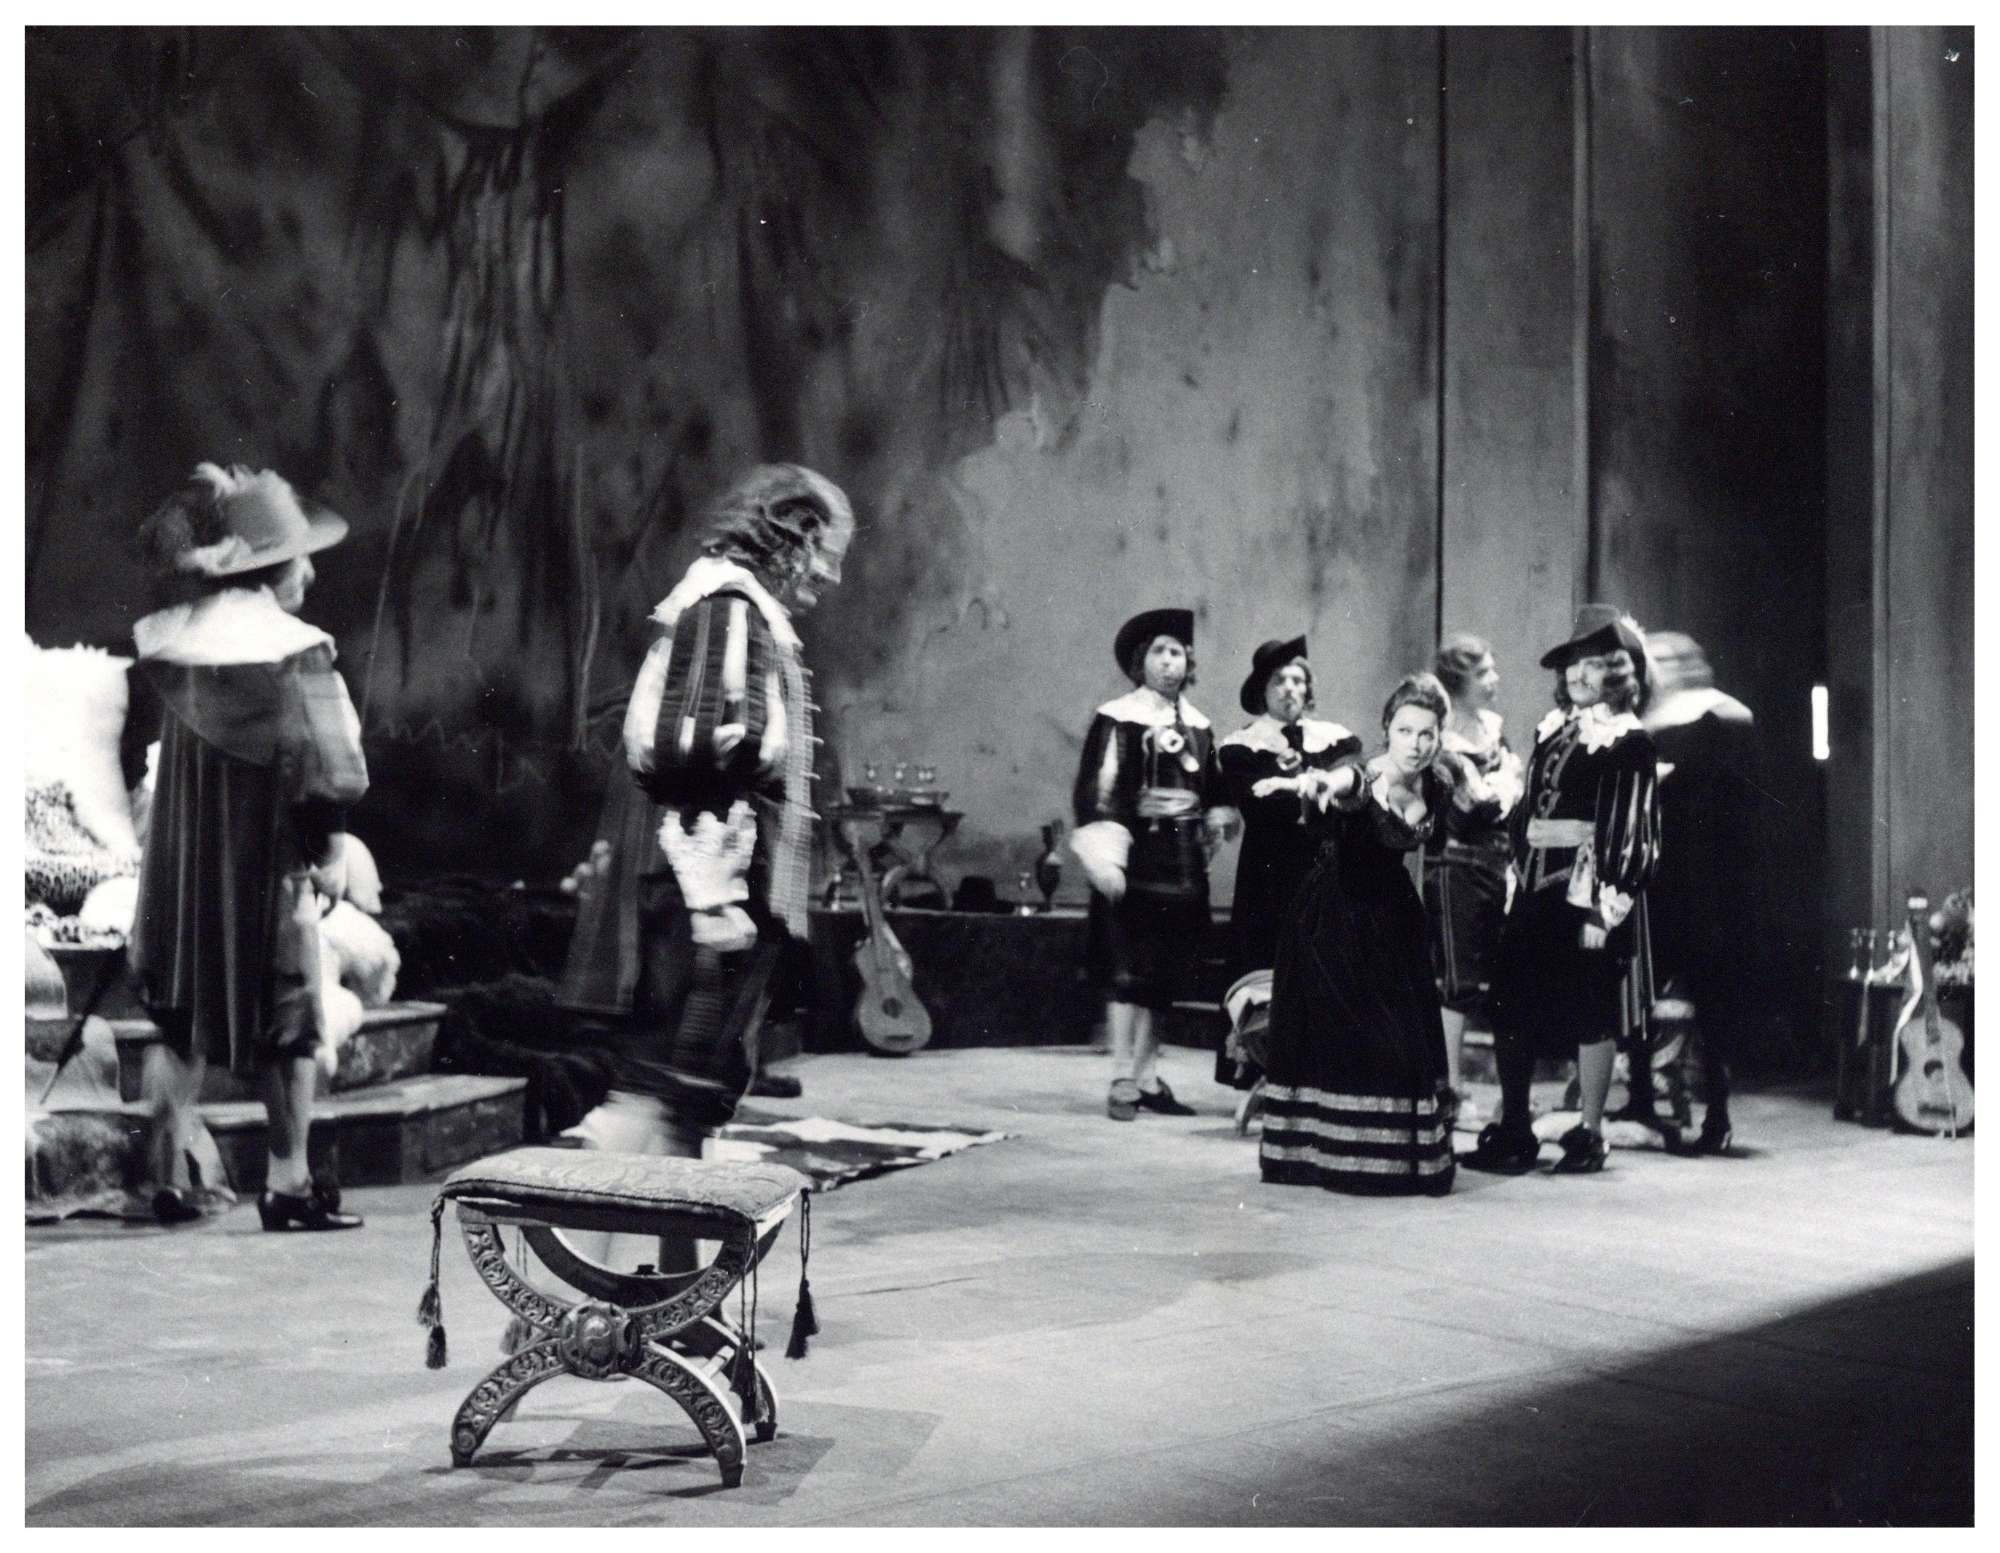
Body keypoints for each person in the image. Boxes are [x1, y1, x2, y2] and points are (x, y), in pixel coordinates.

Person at [558, 463, 853, 1272]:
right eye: (826, 552)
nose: (830, 575)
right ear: (793, 538)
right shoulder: (727, 611)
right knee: (665, 1082)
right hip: (702, 887)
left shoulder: (737, 611)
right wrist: (715, 900)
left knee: (688, 1091)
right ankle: (581, 1283)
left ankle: (672, 1280)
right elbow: (690, 756)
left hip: (713, 886)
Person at [127, 463, 369, 1230]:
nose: (311, 572)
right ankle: (288, 1182)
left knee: (179, 1013)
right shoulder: (296, 649)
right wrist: (331, 848)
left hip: (185, 861)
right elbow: (326, 764)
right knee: (290, 1019)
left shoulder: (184, 646)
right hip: (264, 859)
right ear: (269, 567)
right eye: (300, 558)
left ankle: (166, 1177)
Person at [1258, 673, 1497, 1196]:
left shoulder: (1438, 781)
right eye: (1405, 731)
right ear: (1387, 730)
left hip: (1394, 914)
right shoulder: (1366, 773)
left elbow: (1477, 814)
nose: (1416, 744)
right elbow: (1345, 781)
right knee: (1362, 1036)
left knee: (1406, 1034)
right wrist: (1316, 784)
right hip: (1337, 916)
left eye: (1427, 733)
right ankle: (1340, 1156)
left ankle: (1395, 1158)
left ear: (1439, 736)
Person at [1471, 606, 1662, 1175]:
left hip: (1584, 897)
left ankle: (1589, 1134)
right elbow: (1529, 805)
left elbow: (1633, 828)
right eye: (1573, 664)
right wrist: (1522, 853)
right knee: (1509, 1004)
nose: (1579, 674)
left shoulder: (1629, 741)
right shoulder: (1551, 728)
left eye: (1594, 664)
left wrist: (1606, 907)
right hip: (1534, 888)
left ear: (1618, 672)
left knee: (1589, 1010)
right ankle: (1515, 1128)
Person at [1070, 608, 1240, 1121]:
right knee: (1129, 971)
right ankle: (1122, 1075)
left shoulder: (1200, 726)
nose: (1170, 662)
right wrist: (1106, 857)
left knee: (1166, 974)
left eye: (1178, 652)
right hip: (1136, 857)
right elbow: (1101, 788)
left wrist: (1218, 816)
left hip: (1183, 864)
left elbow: (1213, 788)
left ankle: (1147, 1076)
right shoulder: (1118, 718)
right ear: (1140, 661)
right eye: (1160, 652)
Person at [1216, 636, 1363, 1122]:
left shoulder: (1336, 741)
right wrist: (1316, 791)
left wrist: (1298, 791)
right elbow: (1260, 809)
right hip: (1268, 875)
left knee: (1323, 966)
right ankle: (1261, 1073)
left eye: (1298, 680)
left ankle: (1316, 1077)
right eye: (1279, 680)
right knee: (1266, 967)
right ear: (1262, 690)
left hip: (1324, 869)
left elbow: (1351, 796)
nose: (1290, 689)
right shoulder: (1241, 747)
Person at [1643, 631, 1758, 1154]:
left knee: (1712, 998)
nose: (1660, 668)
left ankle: (1717, 1112)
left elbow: (1735, 798)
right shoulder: (1650, 719)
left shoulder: (1723, 714)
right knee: (1642, 989)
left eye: (1667, 659)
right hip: (1663, 873)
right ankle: (1642, 1100)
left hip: (1709, 876)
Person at [1422, 635, 1526, 1115]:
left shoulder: (1493, 731)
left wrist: (1506, 789)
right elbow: (1468, 808)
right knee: (1457, 979)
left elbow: (1509, 796)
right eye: (1483, 672)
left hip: (1499, 864)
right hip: (1455, 867)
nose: (1493, 679)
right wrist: (1496, 791)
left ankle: (1511, 1097)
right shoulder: (1442, 739)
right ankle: (1451, 1087)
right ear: (1457, 681)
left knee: (1505, 980)